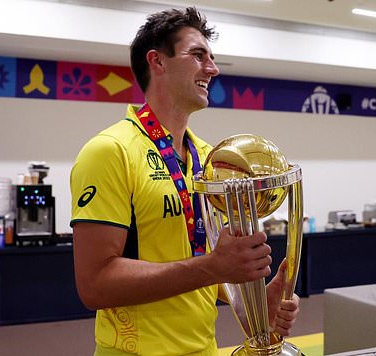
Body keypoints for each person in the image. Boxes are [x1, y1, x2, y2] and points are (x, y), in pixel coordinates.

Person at [70, 7, 299, 356]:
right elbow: (95, 285)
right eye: (198, 55)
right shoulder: (110, 151)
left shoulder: (212, 161)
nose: (213, 68)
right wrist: (212, 267)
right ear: (157, 62)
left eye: (212, 57)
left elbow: (211, 266)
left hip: (205, 348)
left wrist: (253, 306)